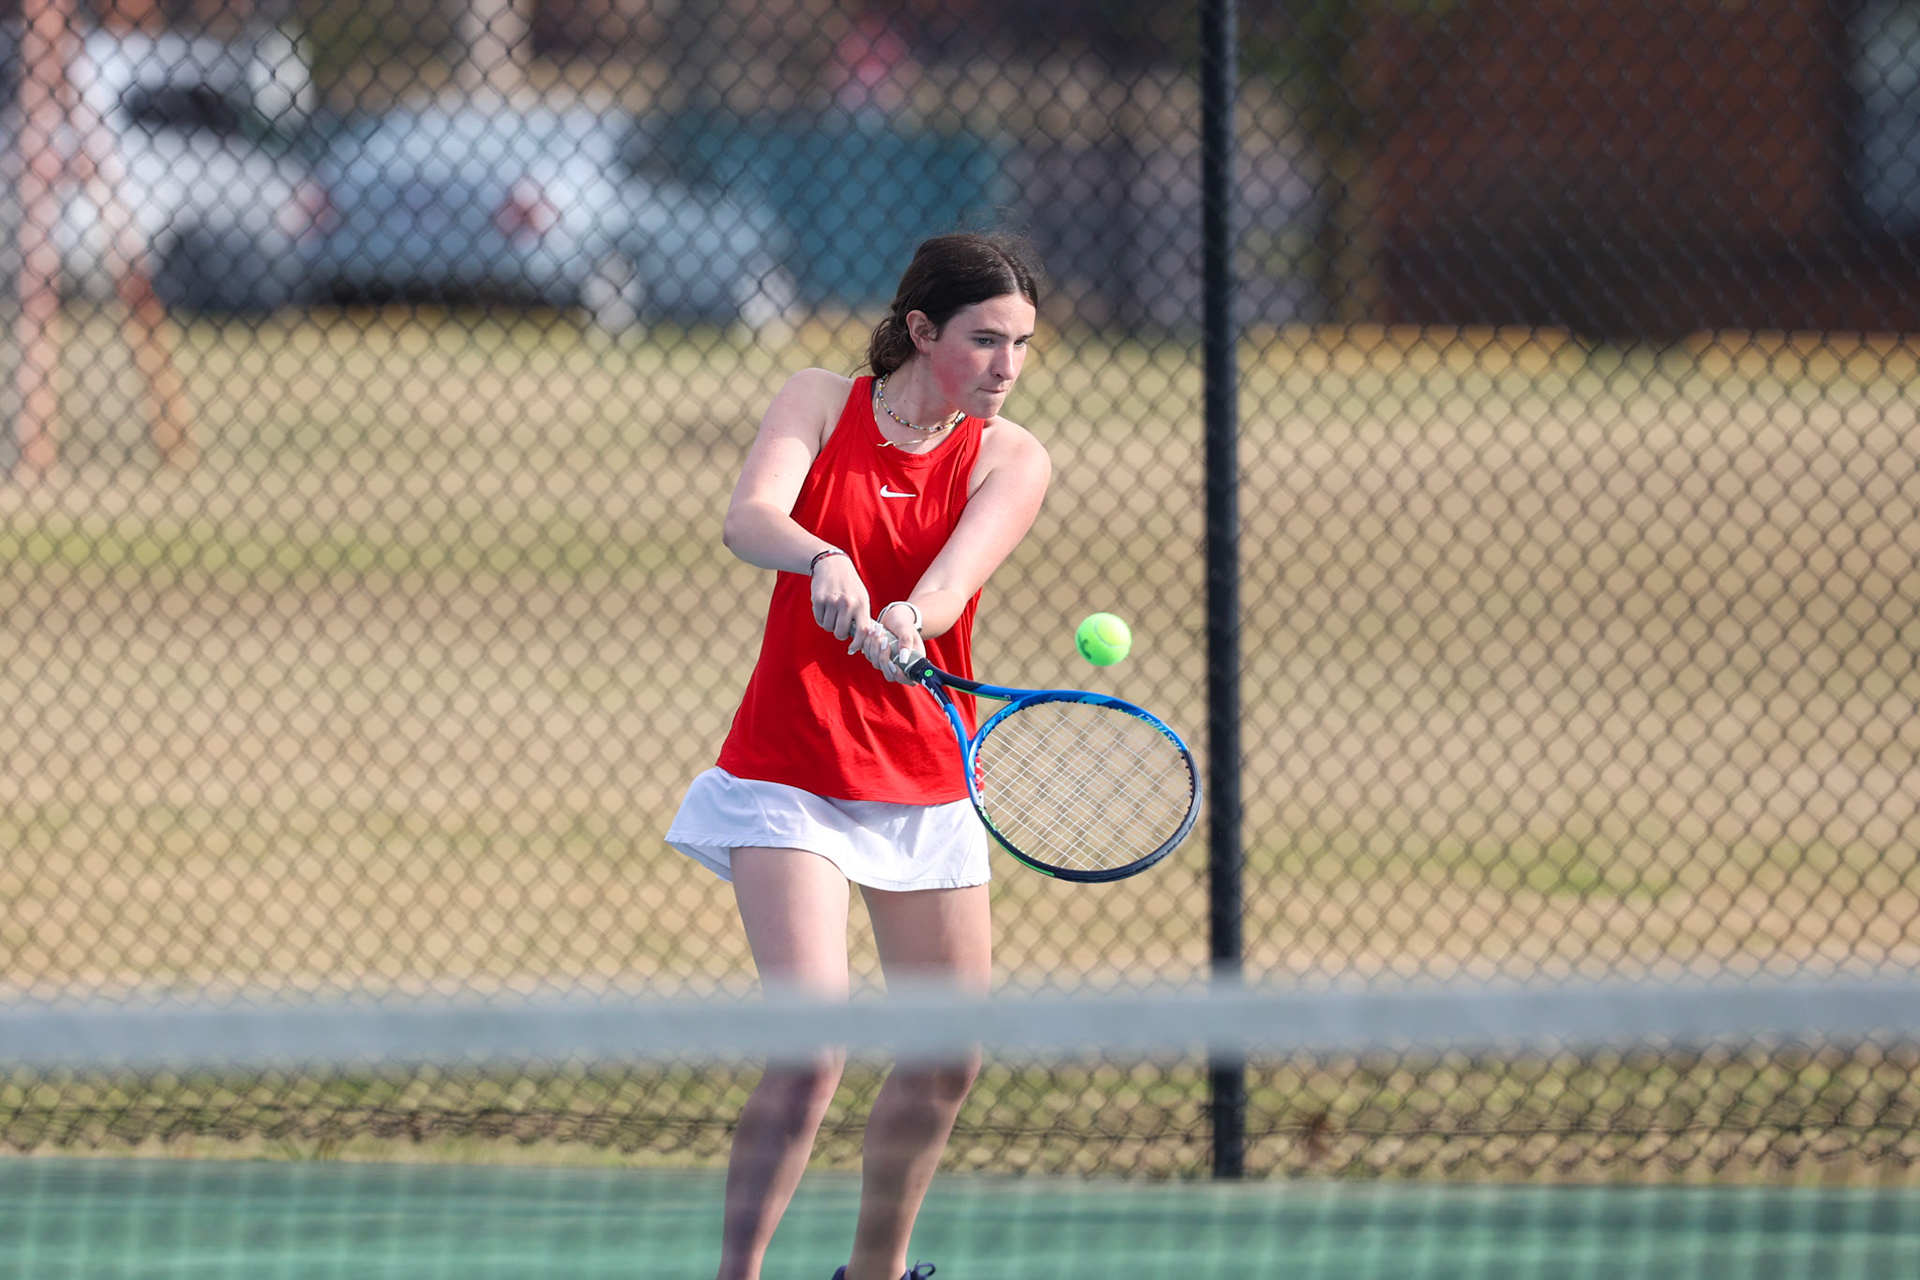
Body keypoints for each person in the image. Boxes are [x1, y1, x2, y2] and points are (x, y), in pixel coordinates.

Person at [666, 230, 1049, 1280]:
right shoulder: (818, 399)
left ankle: (874, 1274)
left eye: (1022, 343)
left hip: (926, 779)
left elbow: (951, 583)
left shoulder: (1011, 456)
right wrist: (821, 553)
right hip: (789, 773)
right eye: (985, 340)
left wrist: (910, 616)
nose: (1008, 366)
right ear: (922, 330)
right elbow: (751, 518)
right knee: (811, 1053)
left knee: (946, 1060)